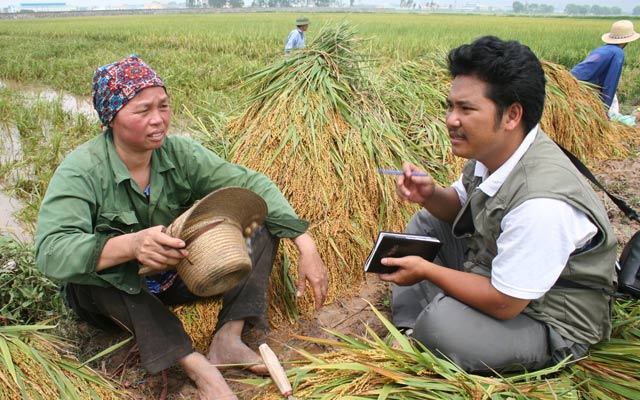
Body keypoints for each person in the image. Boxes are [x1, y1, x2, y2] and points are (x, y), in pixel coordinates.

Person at [34, 55, 329, 400]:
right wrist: (130, 246)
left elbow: (252, 185)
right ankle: (196, 367)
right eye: (142, 111)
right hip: (114, 296)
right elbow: (50, 251)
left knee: (256, 226)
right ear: (111, 118)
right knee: (100, 277)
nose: (158, 120)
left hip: (174, 279)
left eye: (163, 106)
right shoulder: (81, 171)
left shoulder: (180, 154)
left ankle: (227, 340)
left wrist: (307, 245)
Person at [379, 36, 617, 374]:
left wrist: (427, 270)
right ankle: (412, 330)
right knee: (426, 224)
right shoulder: (492, 154)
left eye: (466, 109)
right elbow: (459, 207)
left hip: (548, 316)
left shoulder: (542, 202)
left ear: (511, 115)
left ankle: (432, 329)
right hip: (504, 275)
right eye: (450, 106)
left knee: (443, 327)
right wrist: (429, 195)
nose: (450, 119)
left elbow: (505, 303)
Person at [571, 20, 640, 119]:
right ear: (627, 40)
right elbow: (611, 82)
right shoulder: (618, 53)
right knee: (612, 110)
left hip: (572, 80)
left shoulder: (602, 49)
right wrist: (604, 110)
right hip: (584, 86)